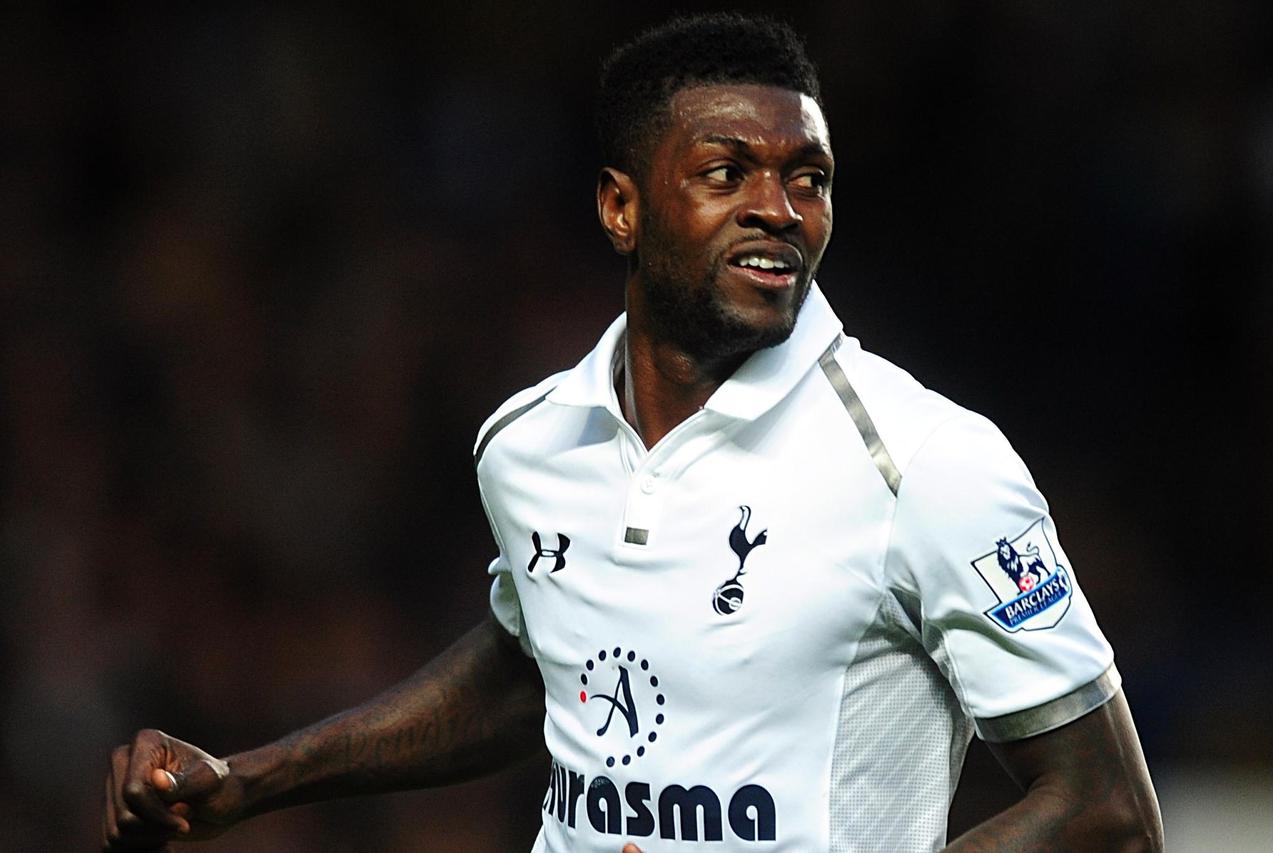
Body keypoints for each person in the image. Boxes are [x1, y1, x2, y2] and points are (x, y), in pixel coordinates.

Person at [103, 13, 1163, 853]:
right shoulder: (528, 443)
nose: (778, 208)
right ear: (620, 208)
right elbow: (537, 664)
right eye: (725, 171)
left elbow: (1103, 810)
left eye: (808, 177)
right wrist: (253, 780)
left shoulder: (925, 461)